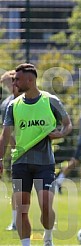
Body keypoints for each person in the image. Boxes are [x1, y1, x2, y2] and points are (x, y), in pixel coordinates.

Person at [0, 63, 72, 246]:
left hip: (44, 164)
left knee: (46, 205)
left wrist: (59, 134)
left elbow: (68, 125)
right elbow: (5, 135)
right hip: (20, 163)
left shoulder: (51, 101)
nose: (14, 82)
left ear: (30, 80)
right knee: (22, 208)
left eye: (17, 79)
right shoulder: (13, 105)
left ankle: (48, 238)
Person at [0, 70, 20, 231]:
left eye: (7, 83)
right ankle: (15, 220)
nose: (7, 87)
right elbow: (7, 130)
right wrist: (15, 147)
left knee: (43, 186)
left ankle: (48, 220)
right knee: (17, 187)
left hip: (36, 150)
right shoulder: (7, 104)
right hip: (18, 152)